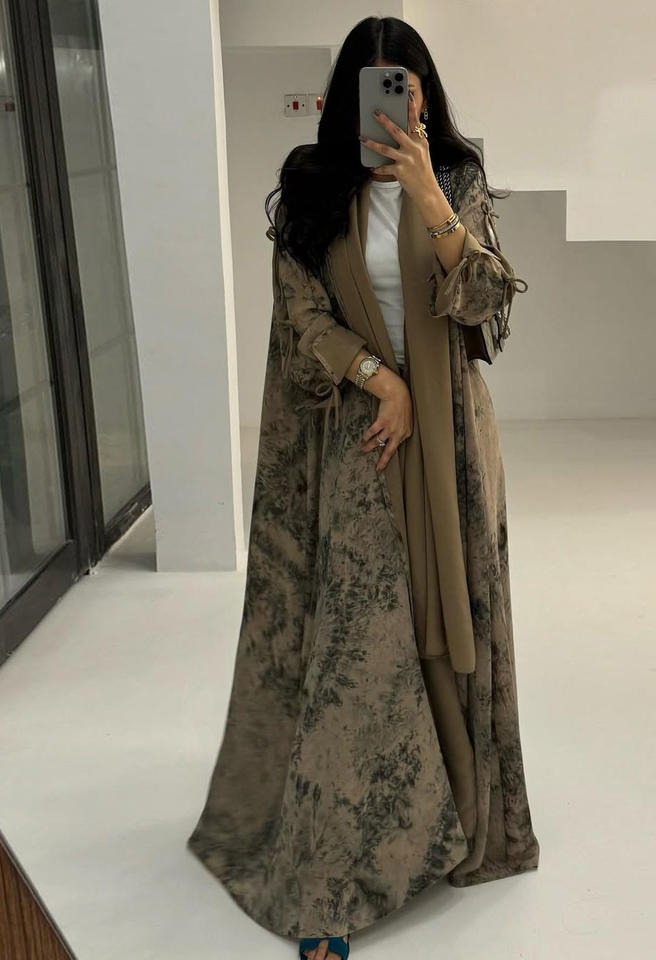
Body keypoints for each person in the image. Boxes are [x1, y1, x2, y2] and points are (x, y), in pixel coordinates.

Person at [186, 16, 540, 960]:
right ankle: (333, 882)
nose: (395, 98)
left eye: (408, 82)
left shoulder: (455, 176)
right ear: (347, 92)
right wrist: (382, 381)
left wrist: (428, 195)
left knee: (449, 618)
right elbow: (300, 312)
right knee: (359, 644)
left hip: (455, 445)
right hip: (366, 434)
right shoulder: (313, 180)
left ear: (426, 91)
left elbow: (485, 305)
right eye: (376, 82)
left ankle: (461, 814)